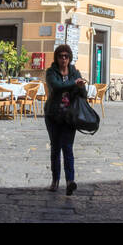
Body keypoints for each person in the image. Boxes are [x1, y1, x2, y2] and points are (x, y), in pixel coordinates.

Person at [43, 44, 85, 195]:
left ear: (70, 57)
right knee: (55, 148)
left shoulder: (75, 72)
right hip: (53, 115)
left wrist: (80, 87)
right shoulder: (51, 72)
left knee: (67, 148)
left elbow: (83, 95)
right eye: (61, 56)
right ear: (56, 57)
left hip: (69, 116)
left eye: (66, 56)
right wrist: (74, 83)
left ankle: (70, 181)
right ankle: (55, 181)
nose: (63, 59)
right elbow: (57, 86)